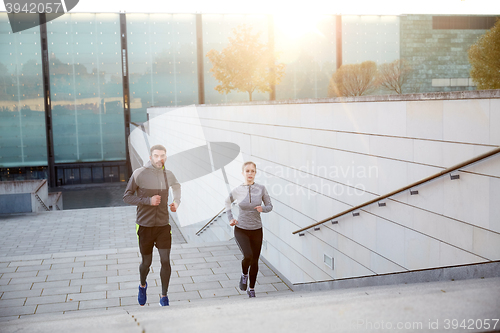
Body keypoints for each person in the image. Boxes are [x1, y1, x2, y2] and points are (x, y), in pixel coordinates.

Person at [123, 144, 181, 307]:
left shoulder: (168, 174)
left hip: (163, 225)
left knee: (165, 261)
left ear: (165, 157)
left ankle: (164, 296)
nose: (159, 158)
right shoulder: (139, 174)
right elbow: (127, 197)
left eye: (162, 155)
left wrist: (176, 201)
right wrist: (148, 201)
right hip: (144, 226)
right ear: (150, 157)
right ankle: (142, 285)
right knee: (146, 263)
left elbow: (177, 187)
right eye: (156, 155)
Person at [225, 161, 273, 297]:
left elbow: (270, 206)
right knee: (248, 256)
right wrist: (230, 218)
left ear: (255, 173)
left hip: (257, 229)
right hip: (241, 229)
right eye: (247, 171)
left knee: (256, 260)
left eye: (252, 171)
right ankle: (244, 273)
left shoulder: (261, 189)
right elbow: (227, 202)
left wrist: (262, 208)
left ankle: (251, 289)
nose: (250, 173)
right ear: (243, 173)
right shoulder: (237, 190)